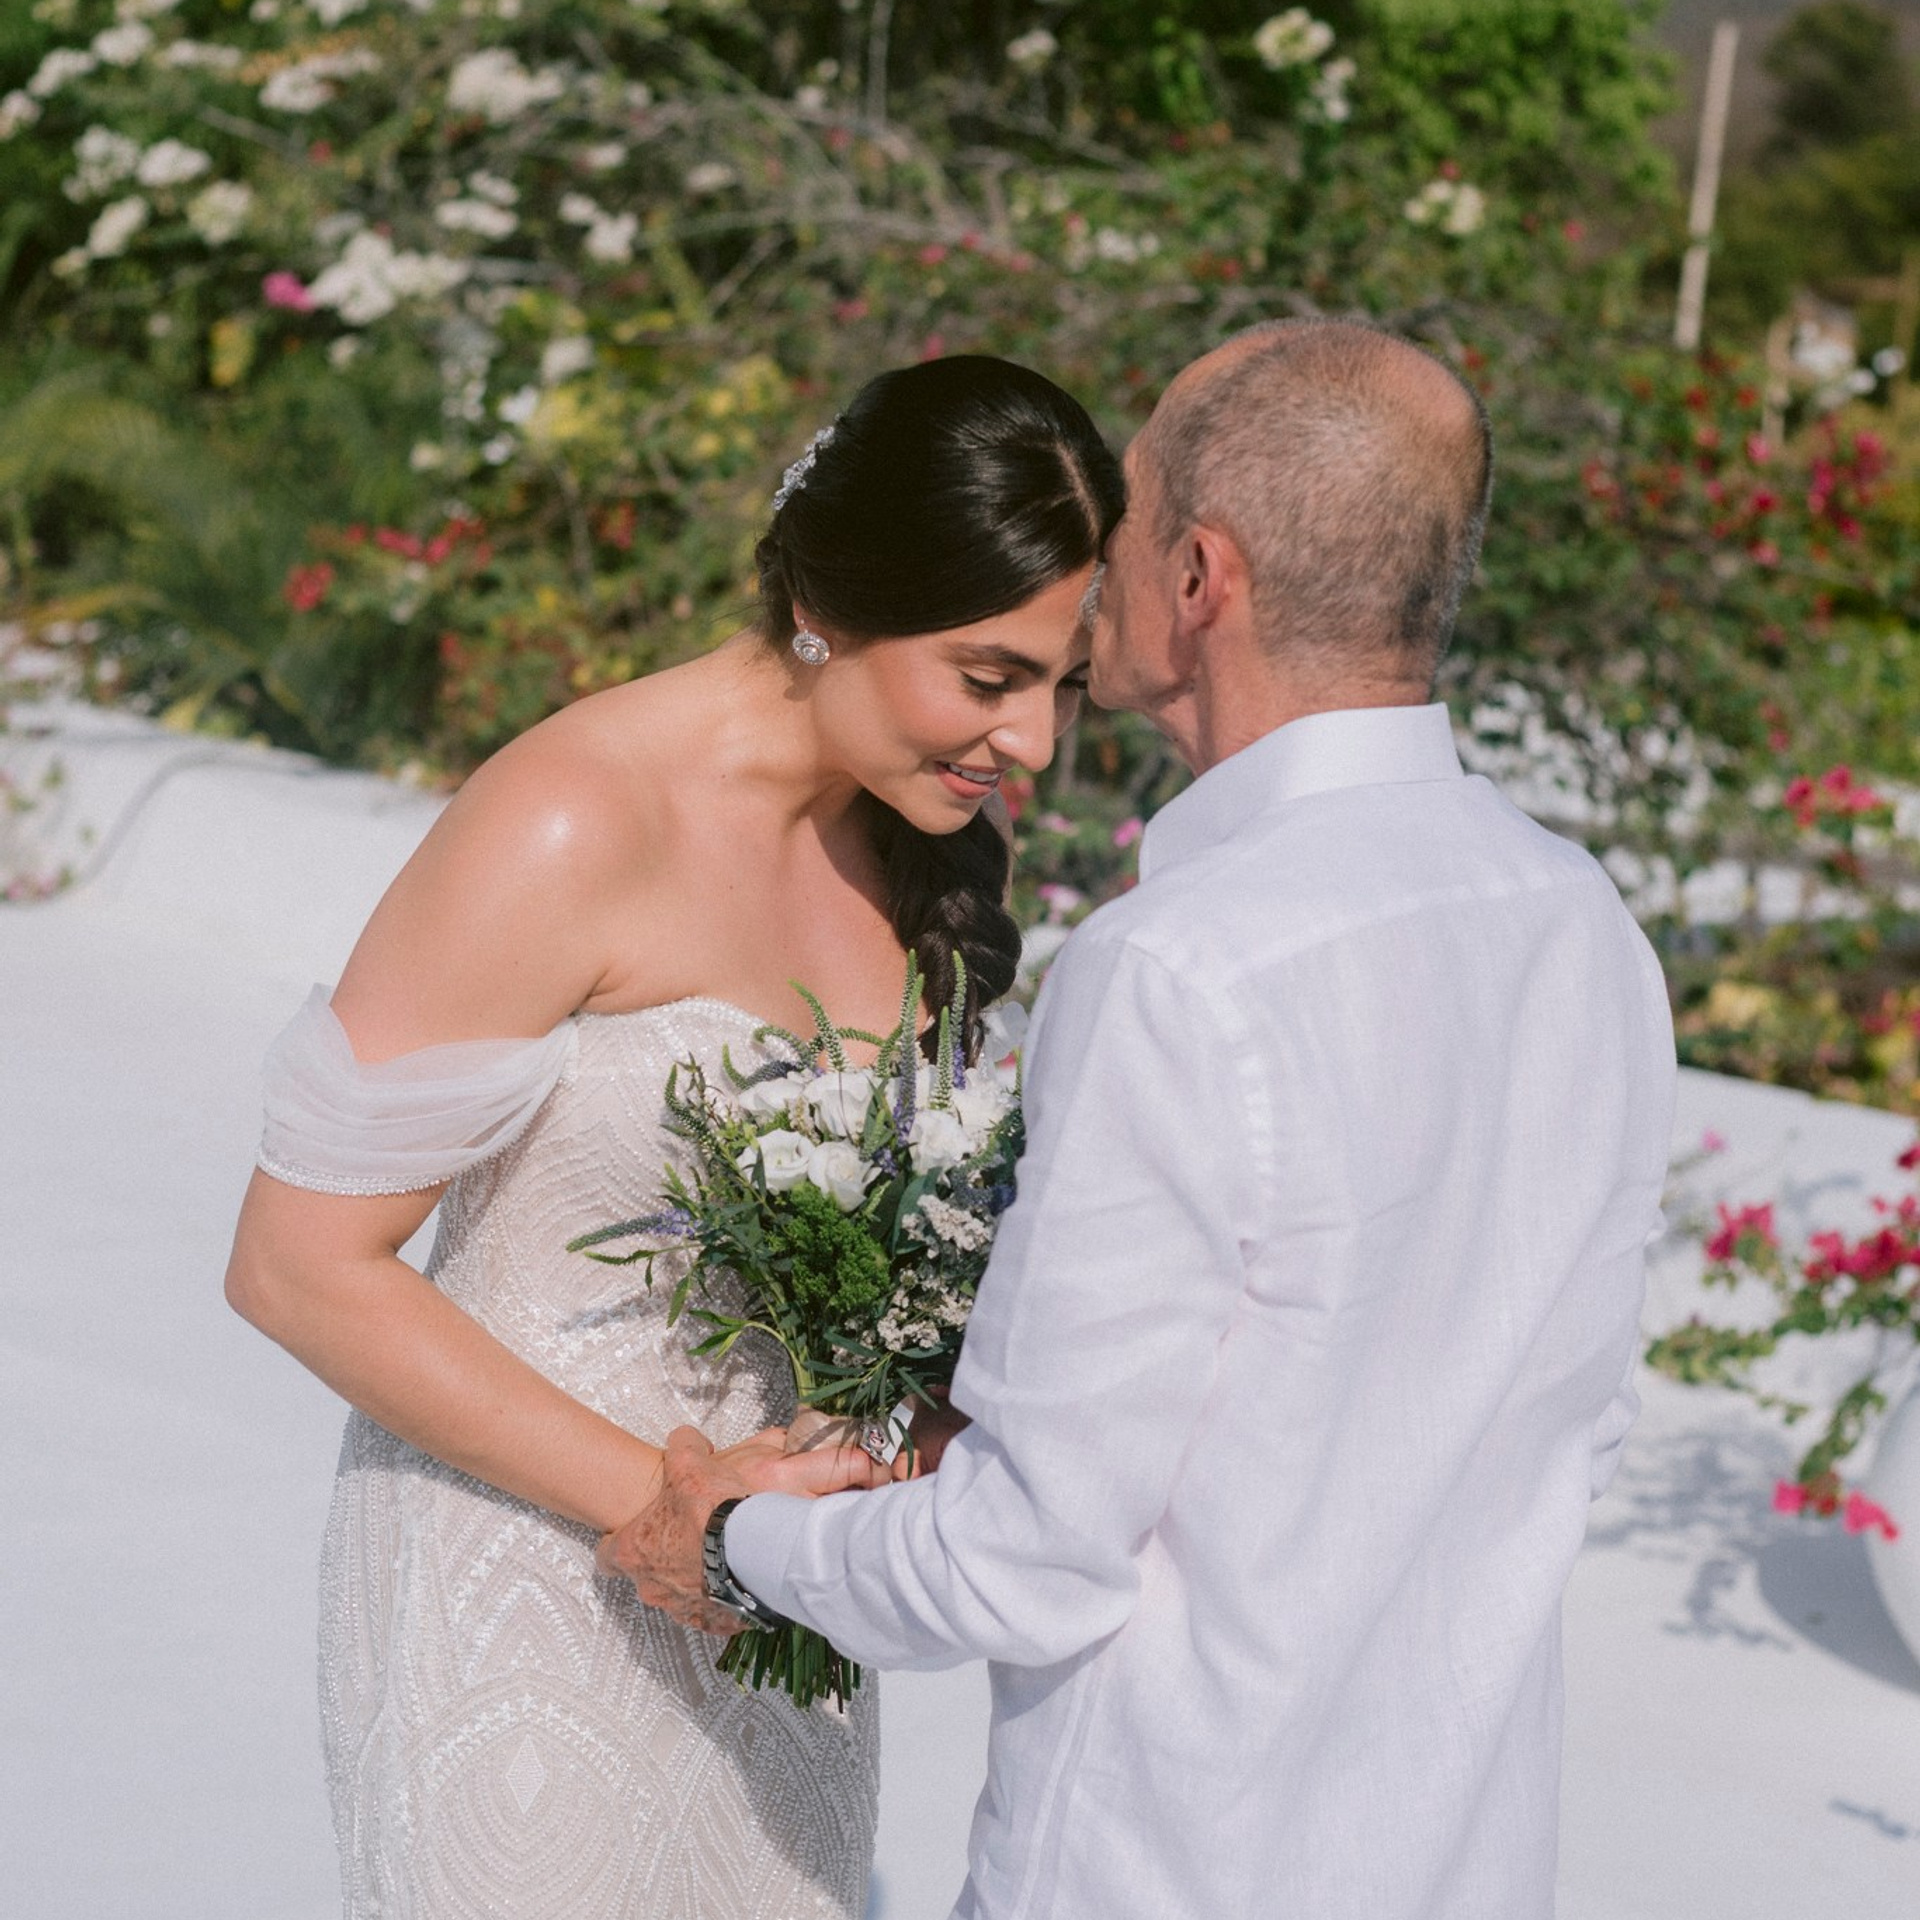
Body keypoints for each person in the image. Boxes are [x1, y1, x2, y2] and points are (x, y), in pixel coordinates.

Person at [603, 319, 1679, 1919]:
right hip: (1465, 1862)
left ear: (1198, 576)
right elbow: (1562, 1427)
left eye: (1118, 525)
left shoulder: (1180, 968)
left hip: (1166, 1866)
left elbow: (1022, 1564)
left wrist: (739, 1537)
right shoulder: (1584, 923)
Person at [223, 354, 1125, 1919]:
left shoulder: (914, 850)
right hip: (522, 1589)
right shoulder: (572, 816)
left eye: (1065, 687)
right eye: (990, 679)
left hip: (780, 1616)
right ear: (830, 602)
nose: (1035, 745)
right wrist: (674, 1513)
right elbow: (301, 1266)